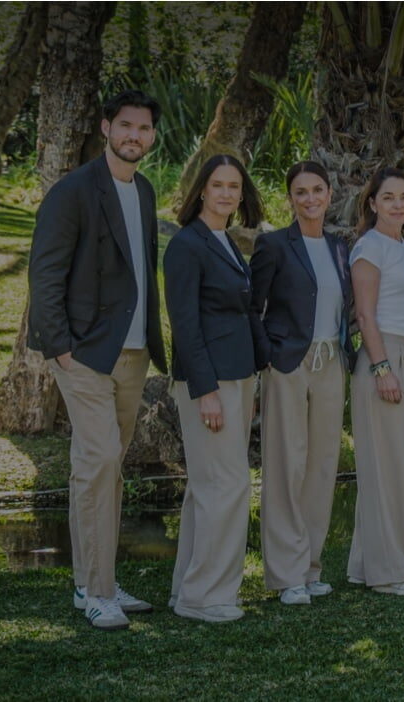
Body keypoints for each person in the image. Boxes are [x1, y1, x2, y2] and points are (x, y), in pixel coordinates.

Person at [28, 90, 166, 631]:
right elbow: (45, 273)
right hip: (84, 353)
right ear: (106, 127)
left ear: (152, 136)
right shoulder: (73, 192)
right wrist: (60, 347)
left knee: (106, 469)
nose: (135, 135)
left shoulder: (145, 190)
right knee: (100, 459)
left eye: (144, 128)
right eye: (126, 125)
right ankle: (98, 593)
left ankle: (94, 580)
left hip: (133, 353)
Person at [164, 154, 268, 623]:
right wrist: (205, 391)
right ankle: (206, 597)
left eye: (234, 186)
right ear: (201, 190)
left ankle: (187, 590)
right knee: (226, 486)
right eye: (218, 185)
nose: (226, 193)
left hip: (237, 378)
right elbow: (185, 326)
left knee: (208, 487)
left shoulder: (224, 240)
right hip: (210, 382)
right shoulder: (187, 245)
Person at [249, 161, 353, 606]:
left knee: (322, 466)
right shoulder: (273, 245)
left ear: (329, 195)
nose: (310, 199)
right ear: (290, 198)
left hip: (331, 364)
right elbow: (252, 308)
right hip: (289, 364)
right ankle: (286, 574)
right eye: (301, 192)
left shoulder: (340, 248)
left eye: (317, 190)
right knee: (286, 466)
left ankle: (310, 568)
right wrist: (269, 358)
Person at [345, 168, 404, 597]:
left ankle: (366, 564)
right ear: (372, 203)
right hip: (386, 357)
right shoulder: (370, 246)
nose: (398, 204)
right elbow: (365, 316)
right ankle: (391, 574)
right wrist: (382, 368)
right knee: (386, 469)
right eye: (388, 197)